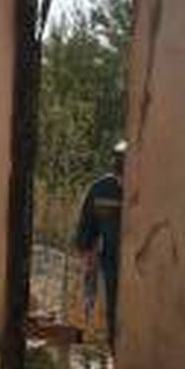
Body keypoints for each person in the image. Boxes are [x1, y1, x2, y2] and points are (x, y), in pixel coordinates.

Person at [75, 140, 125, 342]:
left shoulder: (152, 188)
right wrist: (88, 257)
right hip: (113, 264)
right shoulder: (100, 190)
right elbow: (87, 227)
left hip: (147, 267)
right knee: (115, 314)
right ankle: (117, 357)